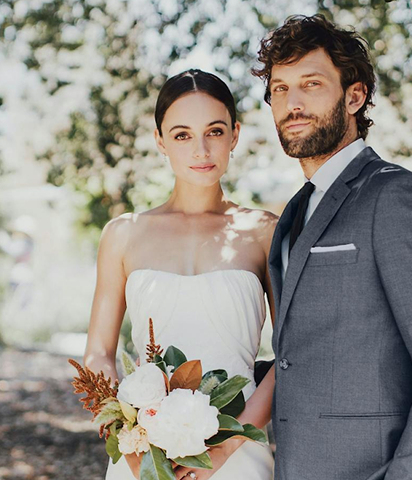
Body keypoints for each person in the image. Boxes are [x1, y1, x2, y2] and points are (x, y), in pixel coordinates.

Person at [252, 14, 412, 480]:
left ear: (354, 96)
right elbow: (306, 357)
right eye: (279, 89)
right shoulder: (295, 213)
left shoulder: (397, 197)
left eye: (311, 84)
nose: (292, 103)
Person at [82, 69, 278, 480]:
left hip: (238, 456)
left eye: (215, 131)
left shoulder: (265, 232)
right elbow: (99, 352)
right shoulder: (123, 234)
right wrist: (129, 439)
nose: (201, 149)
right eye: (183, 134)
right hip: (144, 458)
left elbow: (292, 356)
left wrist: (224, 450)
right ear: (160, 141)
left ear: (235, 134)